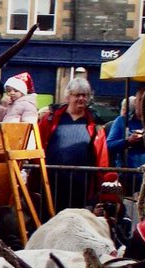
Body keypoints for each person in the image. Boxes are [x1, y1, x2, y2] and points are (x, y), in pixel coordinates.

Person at [38, 77, 109, 210]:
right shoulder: (49, 119)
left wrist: (101, 186)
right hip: (51, 182)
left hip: (81, 185)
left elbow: (102, 158)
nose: (81, 98)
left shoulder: (96, 125)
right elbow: (38, 146)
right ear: (68, 96)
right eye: (77, 95)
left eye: (85, 95)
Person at [106, 87, 145, 169]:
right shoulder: (122, 121)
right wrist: (128, 141)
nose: (144, 104)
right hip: (128, 174)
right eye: (141, 100)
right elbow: (109, 145)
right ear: (135, 102)